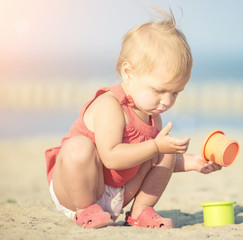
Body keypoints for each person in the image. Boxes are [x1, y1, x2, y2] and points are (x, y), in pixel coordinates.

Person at [45, 7, 222, 230]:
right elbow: (111, 158)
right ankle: (86, 210)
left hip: (115, 194)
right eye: (159, 90)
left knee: (164, 151)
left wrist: (193, 162)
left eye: (175, 93)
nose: (167, 101)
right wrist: (155, 145)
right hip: (76, 188)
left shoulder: (151, 114)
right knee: (78, 147)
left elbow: (152, 159)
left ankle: (141, 212)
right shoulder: (111, 106)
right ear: (129, 73)